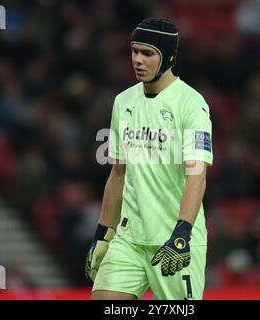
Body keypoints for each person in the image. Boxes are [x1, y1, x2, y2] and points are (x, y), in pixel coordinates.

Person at [85, 18, 213, 300]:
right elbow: (118, 174)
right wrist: (103, 233)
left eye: (148, 53)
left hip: (173, 241)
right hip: (129, 240)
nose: (138, 60)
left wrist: (182, 233)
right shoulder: (123, 102)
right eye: (134, 51)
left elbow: (197, 175)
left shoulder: (191, 104)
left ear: (168, 57)